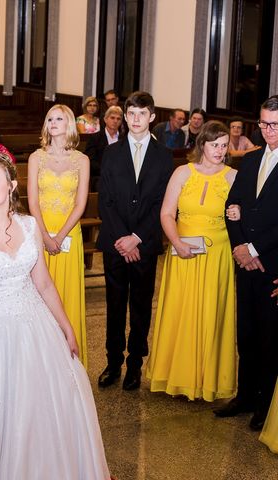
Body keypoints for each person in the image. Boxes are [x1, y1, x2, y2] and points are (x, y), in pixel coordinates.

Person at [0, 155, 109, 479]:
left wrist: (67, 328)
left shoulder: (30, 226)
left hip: (36, 328)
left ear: (12, 186)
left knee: (43, 412)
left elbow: (43, 282)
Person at [146, 121, 237, 401]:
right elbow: (166, 213)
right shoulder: (182, 172)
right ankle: (176, 375)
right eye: (214, 145)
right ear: (202, 145)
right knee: (180, 310)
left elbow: (245, 212)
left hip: (217, 255)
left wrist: (237, 213)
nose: (220, 151)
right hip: (183, 251)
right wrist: (176, 242)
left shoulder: (233, 176)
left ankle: (207, 380)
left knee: (211, 312)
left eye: (224, 145)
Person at [96, 91, 173, 391]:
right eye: (131, 114)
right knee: (114, 305)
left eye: (142, 114)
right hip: (116, 243)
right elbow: (106, 202)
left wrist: (137, 238)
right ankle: (113, 361)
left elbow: (161, 204)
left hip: (145, 243)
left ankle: (135, 365)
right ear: (125, 117)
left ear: (152, 117)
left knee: (141, 306)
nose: (136, 119)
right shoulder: (111, 153)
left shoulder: (164, 157)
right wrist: (122, 240)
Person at [217, 96, 278, 431]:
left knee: (270, 337)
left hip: (272, 264)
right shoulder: (251, 159)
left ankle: (265, 404)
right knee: (248, 332)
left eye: (274, 125)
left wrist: (254, 248)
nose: (267, 131)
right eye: (264, 123)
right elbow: (232, 204)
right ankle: (245, 396)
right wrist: (240, 246)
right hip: (245, 260)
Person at [27, 105, 90, 368]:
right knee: (38, 294)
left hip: (68, 233)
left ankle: (67, 362)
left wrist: (60, 236)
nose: (53, 122)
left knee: (65, 293)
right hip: (39, 231)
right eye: (49, 118)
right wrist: (43, 235)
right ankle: (39, 362)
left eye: (59, 118)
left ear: (70, 124)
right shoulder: (36, 157)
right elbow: (32, 201)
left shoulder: (81, 160)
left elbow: (80, 204)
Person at [85, 105, 123, 192]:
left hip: (120, 176)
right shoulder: (95, 138)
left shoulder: (124, 140)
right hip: (100, 176)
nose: (115, 121)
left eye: (118, 119)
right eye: (112, 118)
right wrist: (106, 171)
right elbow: (90, 160)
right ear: (105, 119)